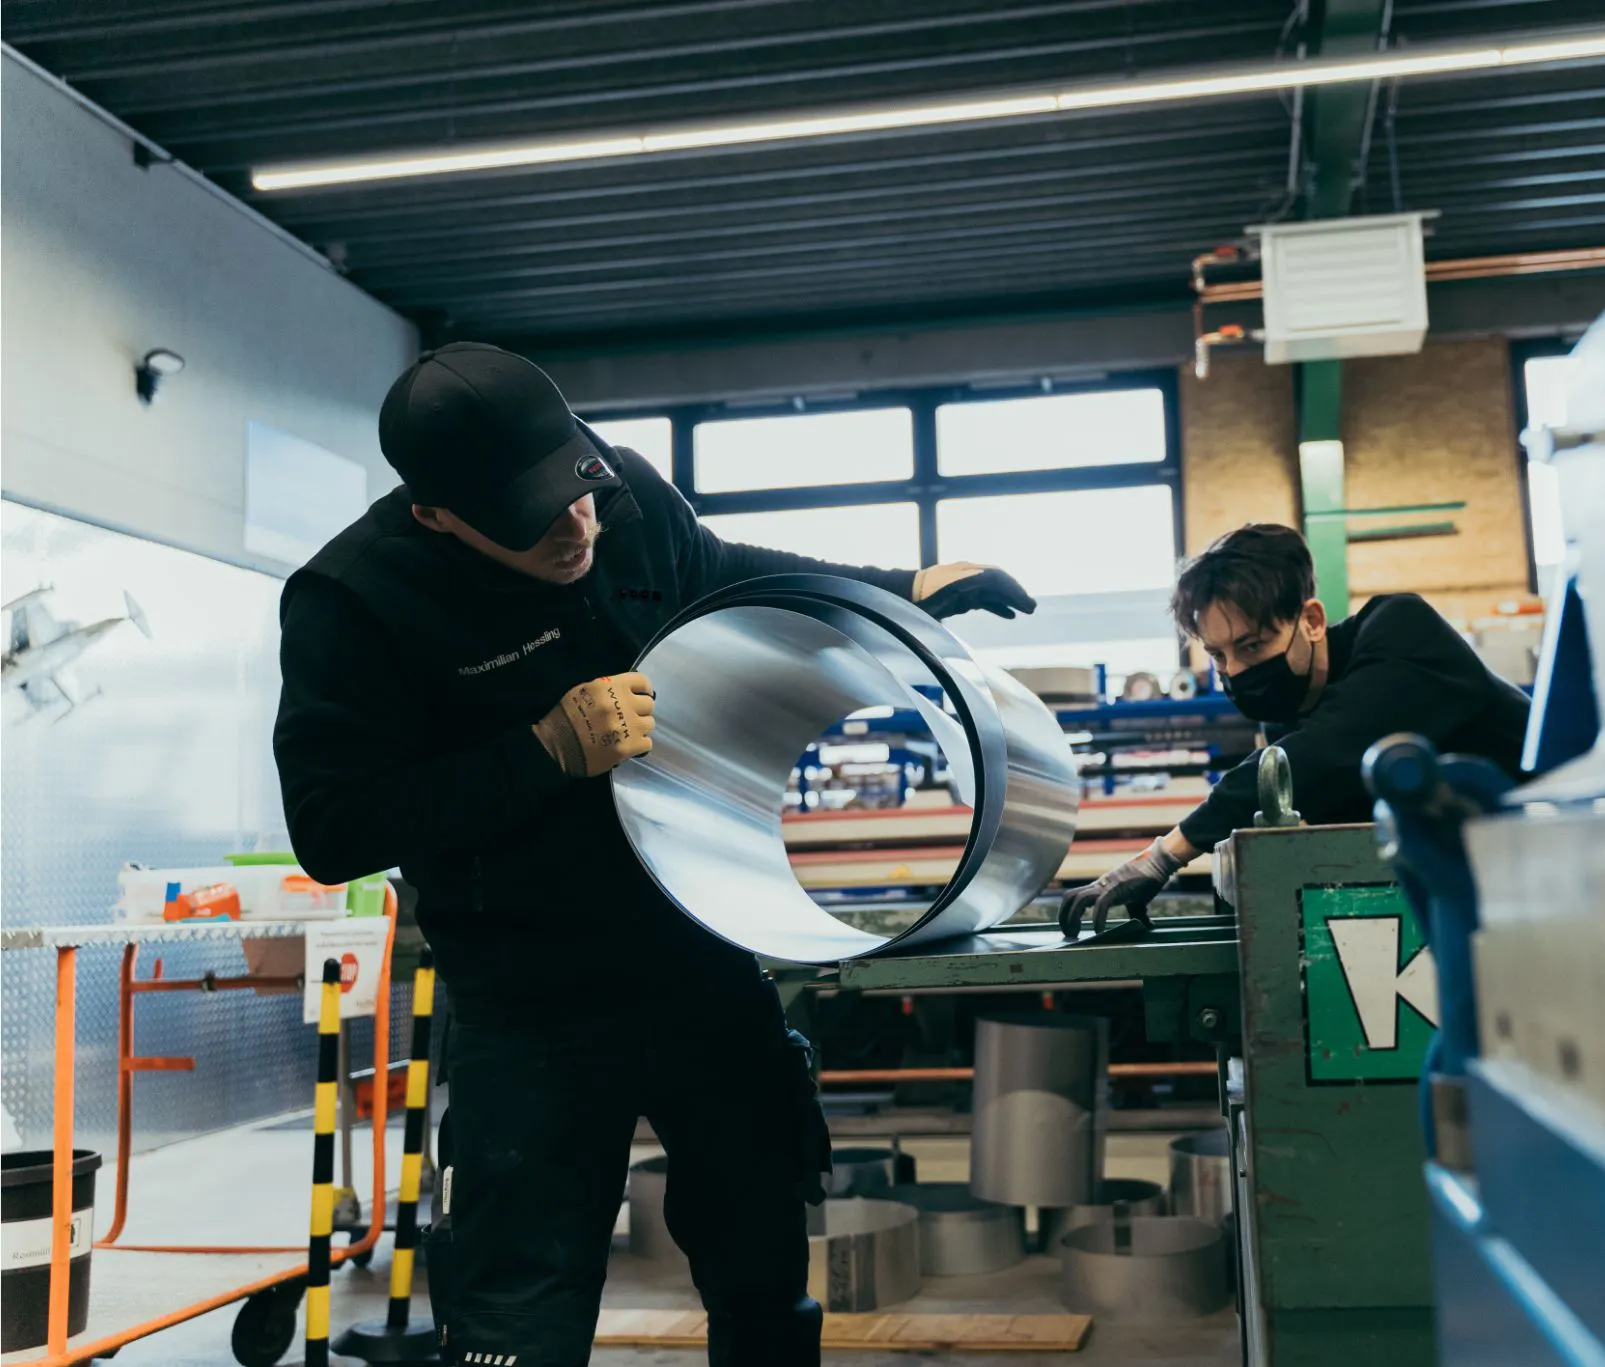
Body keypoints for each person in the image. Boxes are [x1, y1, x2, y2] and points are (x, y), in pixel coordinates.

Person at [271, 342, 1034, 1367]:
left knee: (762, 1256)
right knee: (519, 1304)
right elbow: (334, 830)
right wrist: (542, 751)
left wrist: (904, 586)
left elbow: (726, 574)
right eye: (531, 517)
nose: (574, 526)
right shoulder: (351, 604)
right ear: (437, 515)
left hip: (698, 950)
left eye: (577, 492)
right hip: (529, 998)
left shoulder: (622, 496)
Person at [1059, 522, 1529, 938]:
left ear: (1312, 621)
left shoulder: (1402, 635)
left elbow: (1315, 758)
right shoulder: (1284, 714)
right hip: (1462, 888)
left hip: (1555, 852)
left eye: (1252, 645)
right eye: (1219, 655)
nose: (1237, 671)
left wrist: (1163, 857)